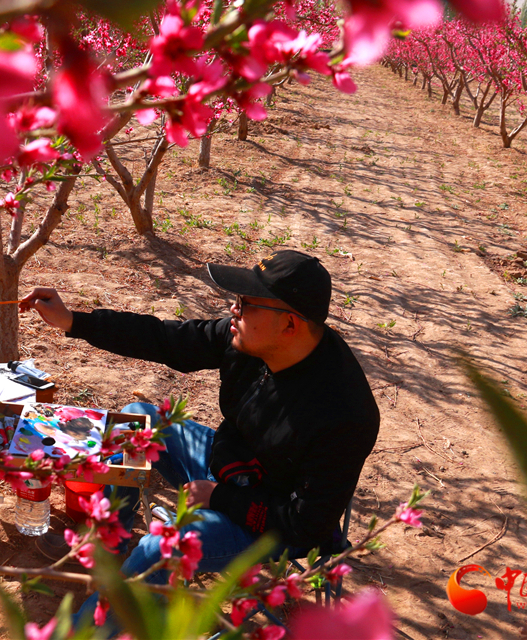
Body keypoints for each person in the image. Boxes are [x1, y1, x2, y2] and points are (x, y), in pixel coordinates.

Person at [19, 250, 380, 624]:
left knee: (160, 548)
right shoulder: (254, 339)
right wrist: (73, 321)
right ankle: (109, 546)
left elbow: (305, 524)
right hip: (225, 467)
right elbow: (166, 339)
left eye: (246, 303)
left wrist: (220, 497)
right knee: (137, 422)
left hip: (266, 522)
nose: (233, 310)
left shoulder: (344, 414)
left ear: (289, 324)